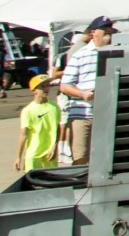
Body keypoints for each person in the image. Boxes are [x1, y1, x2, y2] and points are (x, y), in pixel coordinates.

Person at [56, 16, 116, 167]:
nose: (109, 32)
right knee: (81, 157)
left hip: (109, 113)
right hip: (83, 115)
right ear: (94, 32)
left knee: (107, 156)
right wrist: (83, 94)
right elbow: (65, 85)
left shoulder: (117, 52)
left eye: (111, 28)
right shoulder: (80, 54)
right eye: (105, 29)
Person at [14, 75, 62, 173]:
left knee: (52, 179)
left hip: (50, 152)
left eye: (47, 86)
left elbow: (58, 128)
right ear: (34, 90)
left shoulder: (54, 107)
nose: (46, 89)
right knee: (33, 180)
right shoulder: (28, 110)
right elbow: (23, 135)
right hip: (34, 152)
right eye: (42, 86)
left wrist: (54, 147)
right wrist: (18, 157)